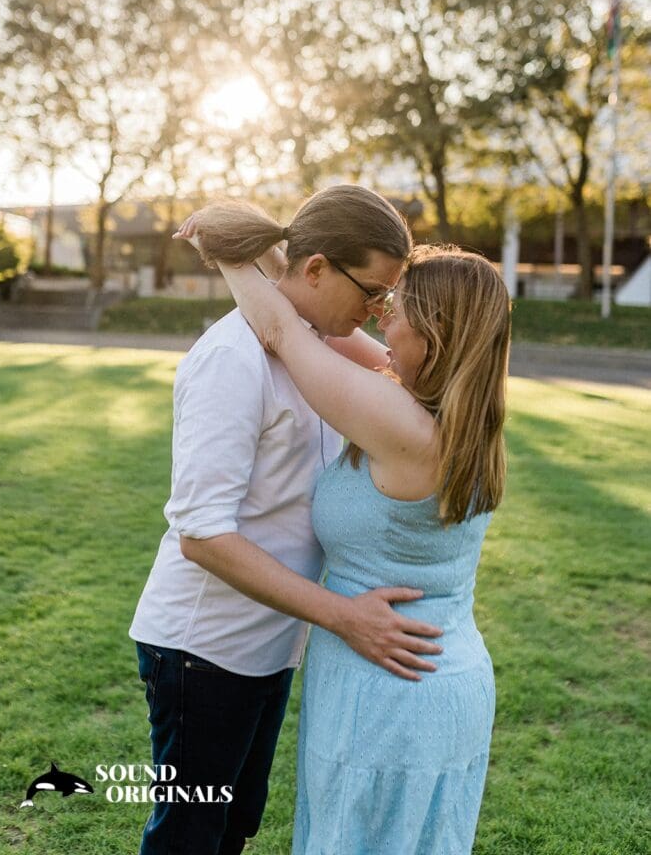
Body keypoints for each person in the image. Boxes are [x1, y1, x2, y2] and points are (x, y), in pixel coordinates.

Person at [176, 208, 511, 855]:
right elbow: (312, 317)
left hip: (393, 691)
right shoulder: (453, 409)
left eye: (398, 305)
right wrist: (297, 255)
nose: (383, 314)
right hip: (431, 674)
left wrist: (223, 244)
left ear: (435, 331)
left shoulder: (401, 424)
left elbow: (278, 325)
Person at [129, 185, 445, 855]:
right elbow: (202, 537)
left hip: (268, 645)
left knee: (235, 825)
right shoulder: (230, 360)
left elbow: (399, 367)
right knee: (190, 835)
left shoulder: (313, 341)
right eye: (372, 292)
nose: (377, 311)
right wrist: (343, 615)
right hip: (202, 650)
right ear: (315, 269)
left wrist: (242, 256)